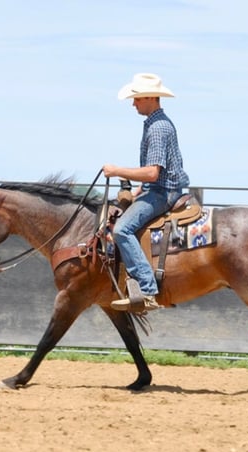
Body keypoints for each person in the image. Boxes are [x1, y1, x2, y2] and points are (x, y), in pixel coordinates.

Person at [103, 73, 190, 312]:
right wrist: (140, 189)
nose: (134, 104)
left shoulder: (158, 128)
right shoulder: (156, 123)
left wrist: (117, 170)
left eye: (137, 99)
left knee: (122, 229)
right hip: (160, 188)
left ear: (151, 97)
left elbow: (153, 173)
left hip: (164, 193)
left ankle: (147, 289)